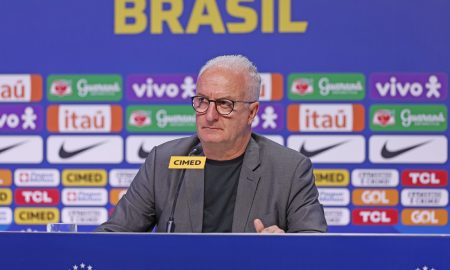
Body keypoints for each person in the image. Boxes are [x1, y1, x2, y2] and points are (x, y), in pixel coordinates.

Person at [97, 55, 327, 233]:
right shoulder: (163, 162)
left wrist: (284, 247)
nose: (209, 115)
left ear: (252, 112)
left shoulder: (289, 169)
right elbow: (114, 235)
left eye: (224, 104)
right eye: (202, 101)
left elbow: (316, 248)